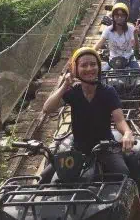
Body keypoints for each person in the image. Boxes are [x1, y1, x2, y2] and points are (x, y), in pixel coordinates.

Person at [42, 47, 134, 179]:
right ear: (75, 70)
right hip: (78, 148)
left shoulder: (108, 92)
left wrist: (127, 133)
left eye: (93, 64)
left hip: (105, 147)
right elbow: (47, 109)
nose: (89, 69)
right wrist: (63, 86)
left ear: (99, 67)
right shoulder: (73, 92)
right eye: (84, 65)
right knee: (45, 177)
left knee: (122, 174)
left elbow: (119, 120)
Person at [94, 3, 140, 69]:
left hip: (129, 59)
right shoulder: (108, 30)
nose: (119, 17)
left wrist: (135, 35)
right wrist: (90, 52)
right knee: (102, 75)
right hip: (113, 60)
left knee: (139, 74)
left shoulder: (131, 28)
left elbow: (136, 48)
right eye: (117, 15)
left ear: (126, 17)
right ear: (113, 16)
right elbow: (99, 44)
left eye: (122, 15)